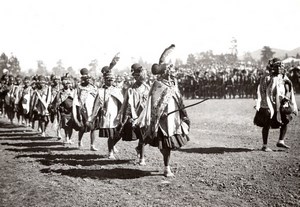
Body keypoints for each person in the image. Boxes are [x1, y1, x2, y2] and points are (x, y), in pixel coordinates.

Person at [135, 44, 190, 177]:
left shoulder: (173, 84)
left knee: (168, 144)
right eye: (169, 70)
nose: (172, 72)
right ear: (164, 72)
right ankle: (167, 167)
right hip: (162, 119)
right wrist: (161, 113)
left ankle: (165, 164)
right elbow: (154, 103)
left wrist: (183, 114)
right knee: (165, 144)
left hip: (174, 119)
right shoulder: (157, 85)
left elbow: (179, 100)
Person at [254, 58, 298, 152]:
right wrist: (266, 103)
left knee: (285, 119)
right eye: (277, 66)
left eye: (281, 67)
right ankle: (265, 145)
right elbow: (263, 91)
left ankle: (281, 141)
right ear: (273, 66)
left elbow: (288, 88)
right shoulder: (266, 77)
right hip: (268, 104)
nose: (280, 68)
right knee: (267, 123)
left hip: (279, 103)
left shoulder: (283, 77)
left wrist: (286, 97)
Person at [88, 64, 123, 159]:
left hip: (117, 115)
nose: (110, 81)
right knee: (111, 135)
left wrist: (122, 115)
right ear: (105, 80)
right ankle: (110, 152)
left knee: (119, 134)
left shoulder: (117, 90)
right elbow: (96, 106)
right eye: (108, 80)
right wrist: (92, 118)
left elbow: (122, 103)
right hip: (107, 116)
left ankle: (112, 146)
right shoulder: (100, 91)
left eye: (112, 80)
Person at [118, 63, 150, 165]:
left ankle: (139, 150)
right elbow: (126, 103)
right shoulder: (131, 89)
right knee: (141, 136)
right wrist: (127, 115)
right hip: (135, 114)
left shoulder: (147, 87)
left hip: (145, 114)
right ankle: (142, 158)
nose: (140, 78)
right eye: (137, 76)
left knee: (146, 136)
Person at [72, 68, 98, 150]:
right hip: (83, 109)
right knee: (82, 128)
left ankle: (92, 145)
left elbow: (97, 97)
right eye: (85, 78)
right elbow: (76, 99)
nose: (87, 80)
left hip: (92, 109)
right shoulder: (79, 87)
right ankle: (79, 141)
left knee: (93, 128)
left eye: (88, 79)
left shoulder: (94, 87)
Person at [52, 74, 75, 144]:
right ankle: (66, 137)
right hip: (64, 111)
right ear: (63, 84)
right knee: (66, 125)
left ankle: (69, 138)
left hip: (72, 111)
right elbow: (56, 101)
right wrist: (56, 108)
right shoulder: (60, 92)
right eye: (66, 83)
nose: (67, 85)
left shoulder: (73, 91)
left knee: (71, 125)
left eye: (69, 83)